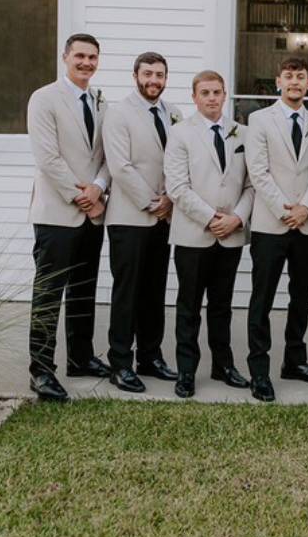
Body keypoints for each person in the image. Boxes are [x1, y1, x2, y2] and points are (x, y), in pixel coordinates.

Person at [26, 33, 110, 401]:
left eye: (92, 57)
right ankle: (41, 371)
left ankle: (80, 357)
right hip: (58, 213)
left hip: (92, 214)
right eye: (80, 56)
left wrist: (99, 188)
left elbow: (107, 156)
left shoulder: (101, 101)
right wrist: (82, 197)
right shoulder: (44, 98)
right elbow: (48, 158)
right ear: (65, 57)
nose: (86, 63)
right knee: (48, 294)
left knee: (83, 291)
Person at [245, 57, 308, 403]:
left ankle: (294, 361)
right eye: (289, 76)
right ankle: (259, 371)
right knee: (262, 299)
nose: (295, 82)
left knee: (302, 298)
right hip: (271, 224)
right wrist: (286, 210)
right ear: (278, 82)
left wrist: (307, 208)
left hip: (307, 225)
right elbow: (258, 172)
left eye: (301, 77)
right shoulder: (258, 120)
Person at [164, 70, 253, 399]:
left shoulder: (241, 132)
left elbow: (251, 184)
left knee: (222, 304)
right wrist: (212, 217)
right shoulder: (180, 133)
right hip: (193, 234)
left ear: (225, 94)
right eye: (205, 93)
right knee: (188, 305)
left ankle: (223, 365)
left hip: (230, 234)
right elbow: (176, 186)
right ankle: (186, 371)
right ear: (194, 96)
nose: (212, 98)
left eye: (217, 92)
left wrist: (237, 218)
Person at [103, 51, 180, 393]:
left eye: (159, 75)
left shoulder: (174, 113)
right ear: (135, 75)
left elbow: (179, 162)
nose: (154, 80)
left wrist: (170, 202)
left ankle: (150, 356)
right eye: (147, 74)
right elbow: (120, 167)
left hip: (164, 219)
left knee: (154, 290)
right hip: (130, 217)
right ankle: (120, 363)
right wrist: (154, 203)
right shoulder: (119, 113)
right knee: (127, 292)